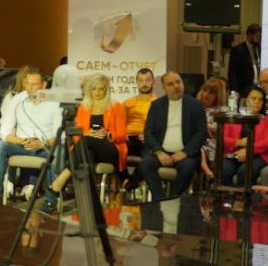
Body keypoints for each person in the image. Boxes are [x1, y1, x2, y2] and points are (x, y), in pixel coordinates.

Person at [0, 67, 55, 201]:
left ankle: (50, 201)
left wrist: (42, 143)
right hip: (21, 145)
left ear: (43, 85)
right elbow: (5, 129)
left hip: (44, 147)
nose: (29, 88)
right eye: (27, 83)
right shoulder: (18, 99)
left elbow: (61, 134)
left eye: (34, 84)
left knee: (59, 152)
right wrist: (17, 140)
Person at [136, 71, 206, 199]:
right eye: (171, 84)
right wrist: (159, 152)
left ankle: (173, 198)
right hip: (161, 153)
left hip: (185, 155)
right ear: (164, 88)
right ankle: (159, 199)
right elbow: (148, 132)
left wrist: (185, 152)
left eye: (178, 82)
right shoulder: (156, 105)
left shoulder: (196, 105)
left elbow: (201, 133)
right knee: (145, 164)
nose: (176, 86)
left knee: (188, 166)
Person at [218, 85, 268, 187]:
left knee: (244, 172)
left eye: (260, 99)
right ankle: (229, 196)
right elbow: (222, 139)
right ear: (244, 100)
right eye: (253, 98)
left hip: (259, 155)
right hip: (235, 153)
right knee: (224, 170)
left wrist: (249, 150)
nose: (257, 102)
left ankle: (244, 197)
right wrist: (239, 142)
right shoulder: (234, 117)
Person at [74, 73, 128, 173]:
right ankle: (91, 185)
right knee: (88, 155)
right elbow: (76, 135)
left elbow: (122, 135)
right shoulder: (83, 108)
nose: (97, 93)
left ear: (106, 90)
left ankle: (63, 175)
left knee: (86, 140)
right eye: (94, 89)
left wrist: (108, 135)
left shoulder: (116, 107)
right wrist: (88, 134)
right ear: (89, 90)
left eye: (101, 89)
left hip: (109, 149)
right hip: (88, 148)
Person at [121, 68, 156, 158]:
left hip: (146, 141)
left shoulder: (158, 103)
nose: (144, 84)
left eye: (148, 80)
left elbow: (161, 127)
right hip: (127, 139)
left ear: (153, 81)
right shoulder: (127, 102)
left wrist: (149, 137)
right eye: (141, 80)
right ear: (136, 82)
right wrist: (123, 135)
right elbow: (119, 124)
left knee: (149, 156)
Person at [227, 24, 261, 96]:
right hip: (244, 89)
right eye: (257, 36)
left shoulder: (260, 48)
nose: (259, 39)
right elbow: (232, 73)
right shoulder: (238, 50)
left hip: (258, 88)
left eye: (260, 37)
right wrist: (234, 91)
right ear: (249, 35)